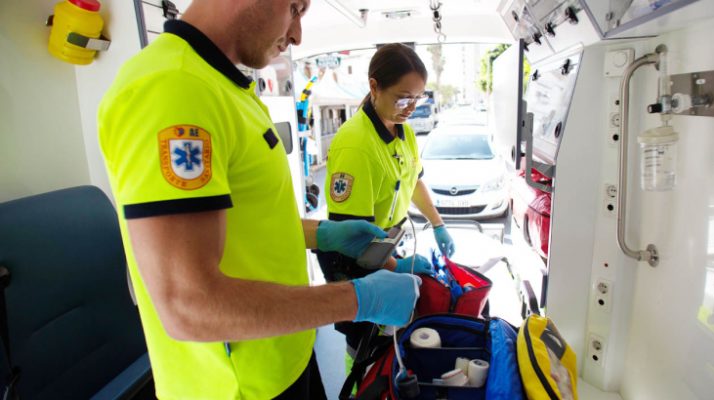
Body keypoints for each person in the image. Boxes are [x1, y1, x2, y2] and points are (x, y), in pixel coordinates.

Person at [96, 1, 421, 399]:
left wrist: (324, 234)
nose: (298, 34)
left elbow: (244, 224)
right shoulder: (173, 88)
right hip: (238, 386)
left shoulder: (225, 86)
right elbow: (189, 305)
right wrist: (358, 298)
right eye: (295, 8)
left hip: (282, 351)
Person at [316, 43, 456, 365]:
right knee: (363, 345)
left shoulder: (402, 131)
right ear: (374, 87)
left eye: (417, 98)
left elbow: (413, 179)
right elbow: (352, 241)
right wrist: (399, 267)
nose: (411, 107)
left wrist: (438, 225)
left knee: (392, 341)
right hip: (356, 261)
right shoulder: (357, 146)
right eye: (403, 98)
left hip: (384, 248)